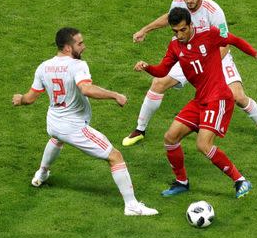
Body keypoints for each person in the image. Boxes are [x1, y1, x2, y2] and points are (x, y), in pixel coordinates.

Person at [12, 27, 158, 216]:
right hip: (73, 127)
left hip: (54, 123)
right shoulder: (77, 66)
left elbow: (30, 98)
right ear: (67, 47)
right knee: (115, 156)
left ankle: (41, 173)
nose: (84, 47)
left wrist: (20, 99)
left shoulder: (44, 67)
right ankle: (131, 205)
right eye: (79, 44)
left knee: (56, 139)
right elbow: (86, 89)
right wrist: (115, 95)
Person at [134, 7, 257, 198]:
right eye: (175, 31)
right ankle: (182, 182)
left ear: (191, 25)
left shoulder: (210, 34)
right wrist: (147, 67)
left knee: (203, 144)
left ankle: (240, 180)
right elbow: (161, 71)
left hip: (218, 98)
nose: (180, 35)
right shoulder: (175, 46)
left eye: (183, 30)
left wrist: (255, 53)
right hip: (200, 99)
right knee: (170, 137)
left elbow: (234, 40)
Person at [123, 0, 257, 148]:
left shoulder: (214, 11)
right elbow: (169, 18)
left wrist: (207, 66)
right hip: (189, 56)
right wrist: (145, 30)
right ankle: (140, 130)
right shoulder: (178, 2)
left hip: (215, 57)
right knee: (158, 83)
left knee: (237, 96)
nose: (188, 0)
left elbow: (225, 42)